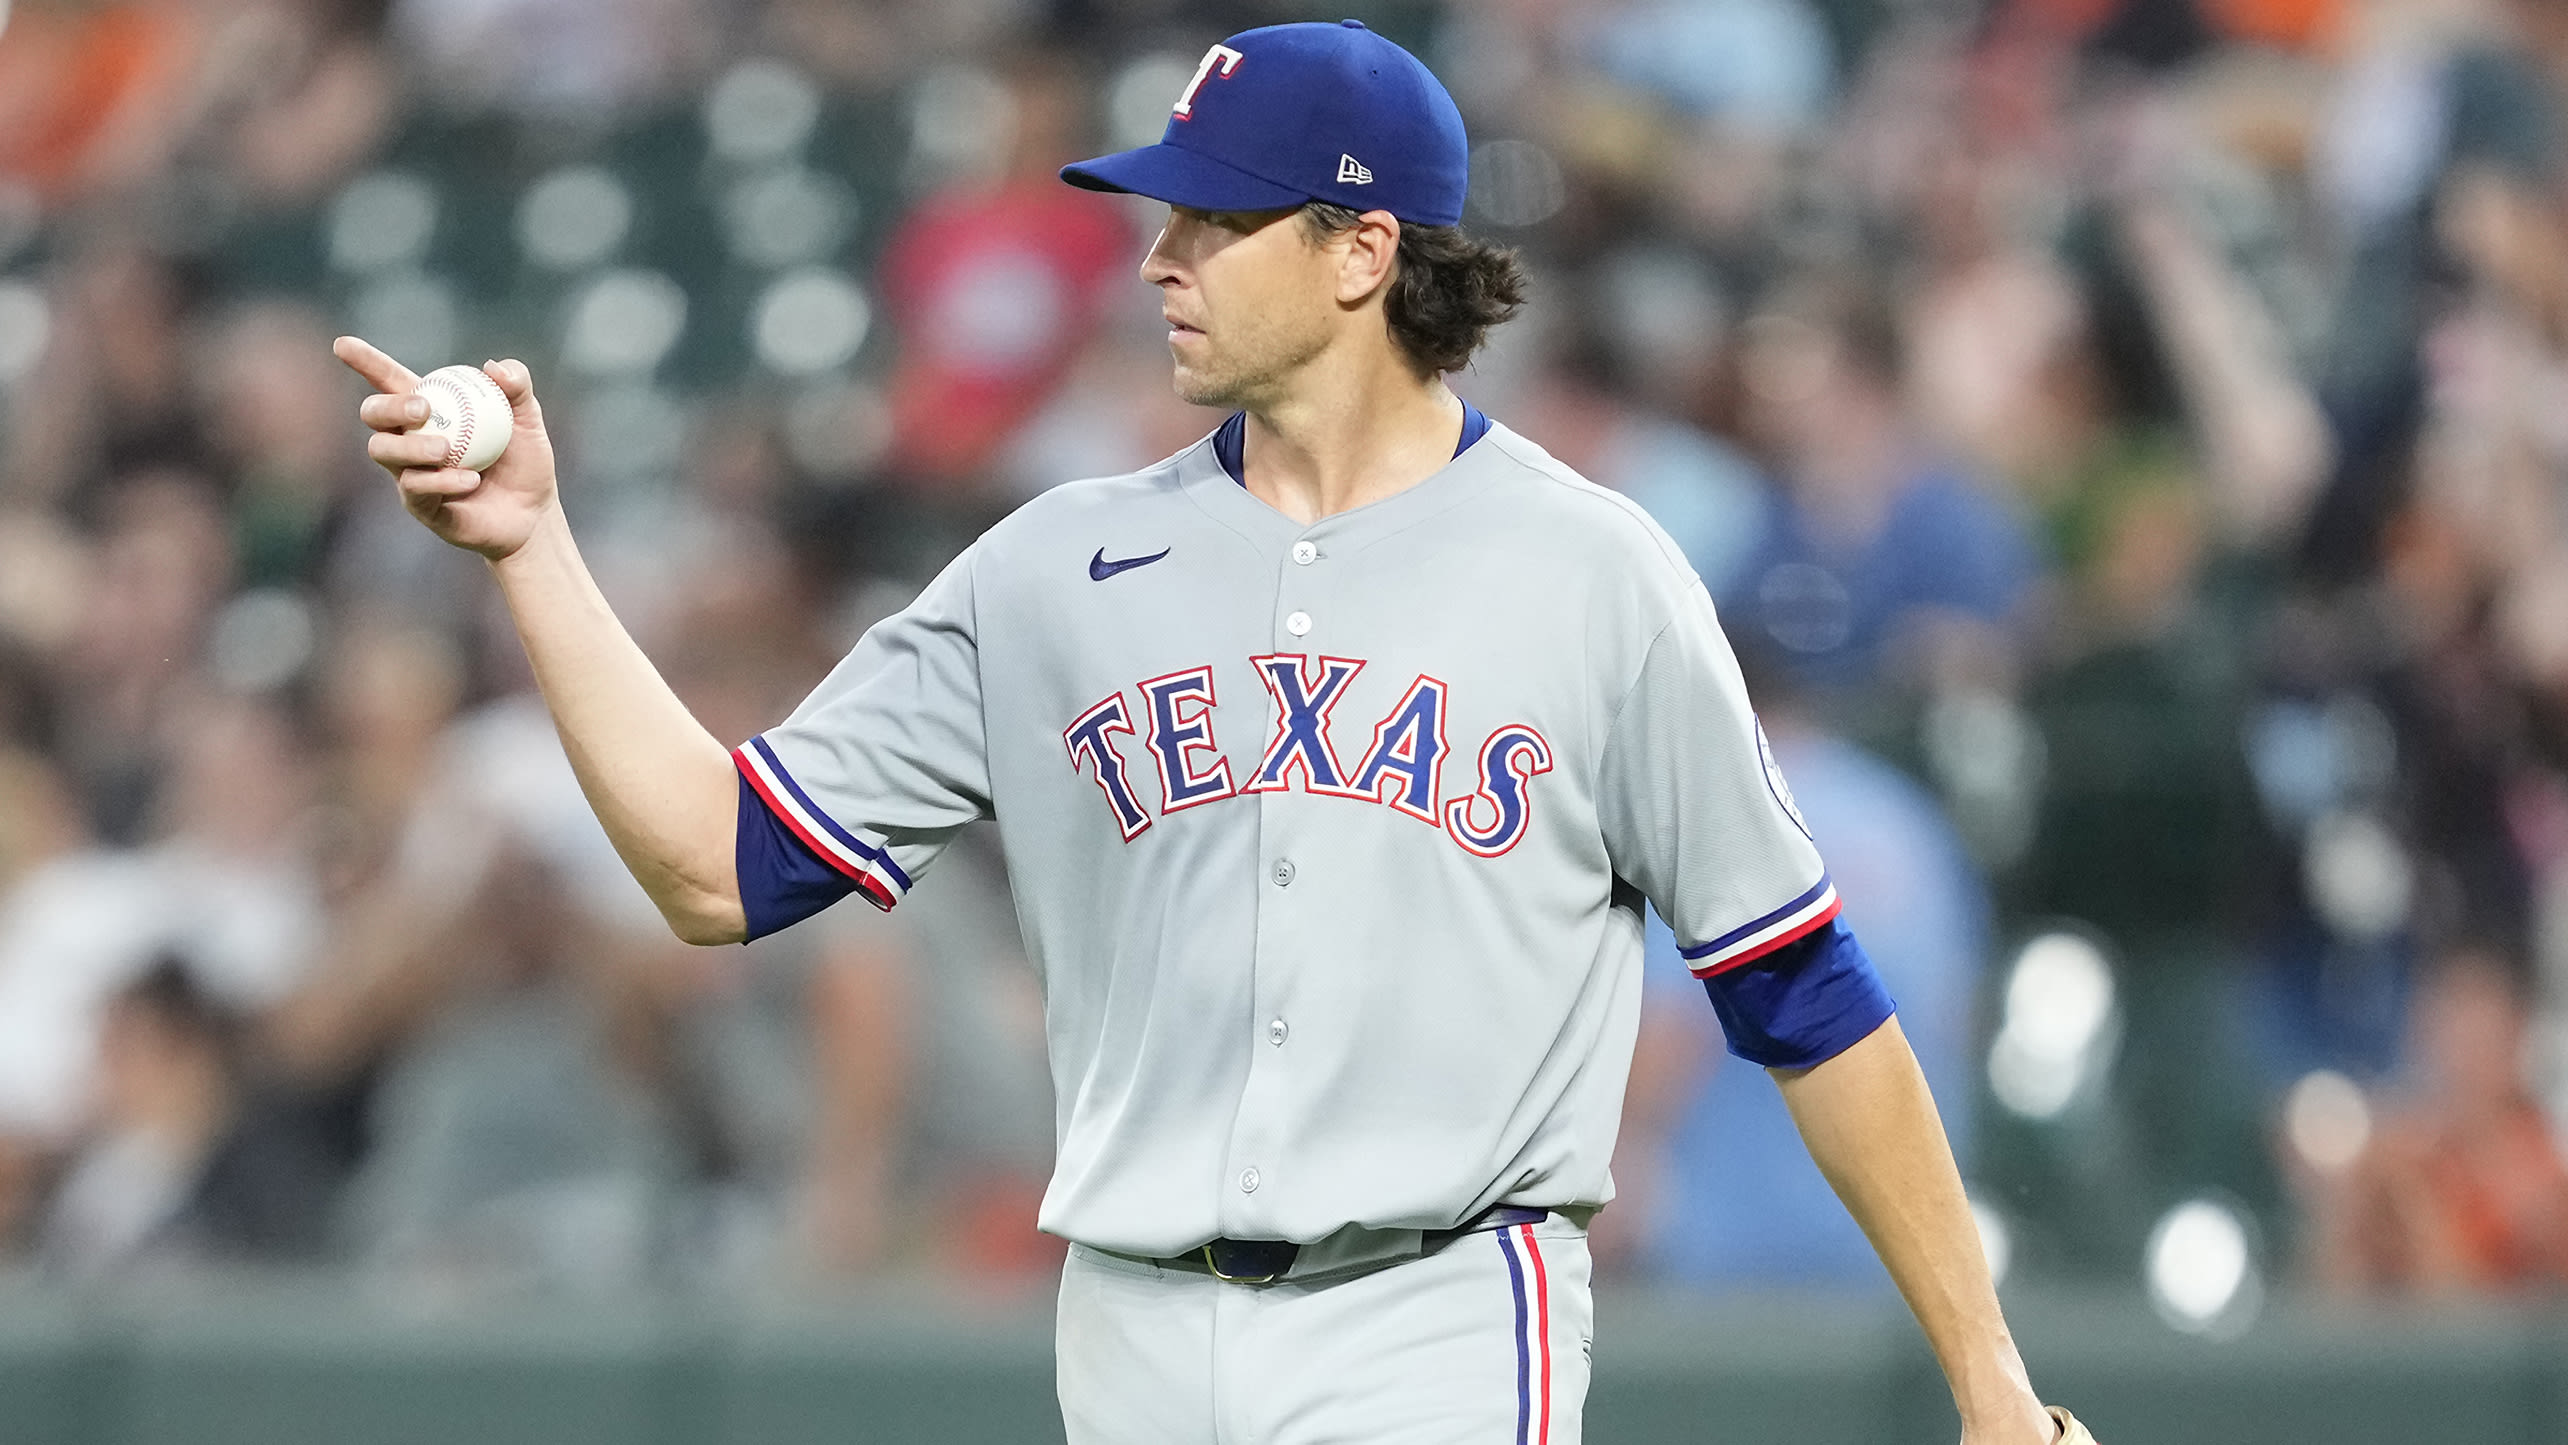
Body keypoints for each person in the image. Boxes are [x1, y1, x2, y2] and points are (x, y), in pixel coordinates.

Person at [337, 20, 2086, 1443]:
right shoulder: (1054, 571)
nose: (1158, 257)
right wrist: (535, 554)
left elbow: (1801, 987)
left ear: (1362, 252)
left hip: (1442, 1318)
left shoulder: (1595, 574)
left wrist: (1987, 1376)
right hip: (1130, 1328)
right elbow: (721, 867)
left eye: (1214, 221)